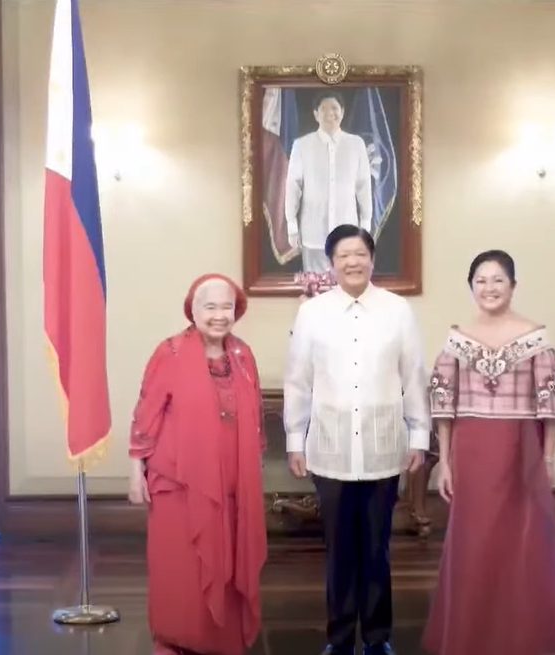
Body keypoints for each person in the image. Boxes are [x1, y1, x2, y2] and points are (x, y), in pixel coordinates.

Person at [421, 250, 555, 655]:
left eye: (498, 280)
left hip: (521, 449)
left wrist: (548, 459)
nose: (489, 288)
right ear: (471, 287)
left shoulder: (535, 339)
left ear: (513, 285)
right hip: (471, 450)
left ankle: (524, 637)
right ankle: (470, 637)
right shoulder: (457, 340)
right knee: (473, 542)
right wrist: (448, 462)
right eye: (481, 281)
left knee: (523, 541)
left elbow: (552, 406)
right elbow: (444, 404)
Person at [284, 224, 429, 655]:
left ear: (372, 258)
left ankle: (378, 638)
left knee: (377, 549)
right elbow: (298, 380)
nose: (353, 261)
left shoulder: (397, 309)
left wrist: (418, 435)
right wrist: (296, 438)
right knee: (339, 551)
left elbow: (413, 377)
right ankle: (340, 637)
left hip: (384, 447)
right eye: (344, 255)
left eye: (360, 253)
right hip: (330, 448)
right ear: (331, 263)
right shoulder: (312, 313)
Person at [128, 273, 268, 655]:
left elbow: (254, 416)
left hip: (232, 482)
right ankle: (176, 639)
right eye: (210, 306)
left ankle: (222, 640)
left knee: (228, 561)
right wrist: (135, 469)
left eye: (227, 306)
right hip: (178, 483)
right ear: (193, 308)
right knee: (181, 565)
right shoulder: (170, 352)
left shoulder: (243, 355)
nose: (219, 315)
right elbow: (146, 412)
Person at [285, 92, 373, 273]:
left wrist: (366, 223)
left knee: (346, 287)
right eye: (323, 109)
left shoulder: (356, 144)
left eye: (334, 108)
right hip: (313, 232)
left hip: (347, 231)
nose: (329, 113)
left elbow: (363, 185)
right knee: (315, 289)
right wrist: (291, 224)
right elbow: (293, 186)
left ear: (343, 111)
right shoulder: (302, 145)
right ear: (315, 114)